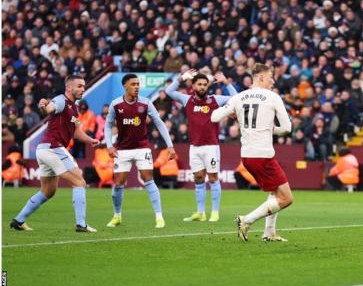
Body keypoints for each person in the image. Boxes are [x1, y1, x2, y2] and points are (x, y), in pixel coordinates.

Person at [211, 63, 293, 242]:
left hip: (247, 156)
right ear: (261, 77)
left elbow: (214, 117)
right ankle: (246, 220)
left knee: (274, 191)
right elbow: (287, 128)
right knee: (286, 198)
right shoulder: (273, 97)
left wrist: (232, 113)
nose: (272, 80)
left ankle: (269, 232)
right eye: (270, 76)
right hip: (263, 155)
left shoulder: (239, 97)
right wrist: (271, 129)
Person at [10, 75, 99, 232]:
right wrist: (45, 106)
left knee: (48, 191)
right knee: (80, 182)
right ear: (69, 87)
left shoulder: (75, 108)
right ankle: (81, 224)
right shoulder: (61, 100)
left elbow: (77, 132)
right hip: (53, 148)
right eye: (79, 86)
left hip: (43, 150)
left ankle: (18, 220)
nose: (83, 89)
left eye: (84, 86)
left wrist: (91, 140)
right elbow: (50, 108)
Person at [104, 73, 176, 229]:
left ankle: (159, 217)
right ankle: (117, 216)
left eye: (138, 84)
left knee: (148, 179)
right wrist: (109, 145)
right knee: (118, 184)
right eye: (133, 84)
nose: (137, 87)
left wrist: (170, 145)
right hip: (122, 149)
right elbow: (108, 125)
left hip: (142, 147)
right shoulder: (116, 105)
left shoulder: (146, 103)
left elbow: (159, 123)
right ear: (125, 87)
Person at [165, 69, 238, 222]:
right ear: (193, 86)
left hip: (211, 146)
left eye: (205, 84)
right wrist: (181, 78)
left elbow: (236, 98)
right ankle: (200, 213)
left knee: (212, 178)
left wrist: (226, 82)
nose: (203, 87)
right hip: (195, 147)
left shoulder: (215, 100)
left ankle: (215, 213)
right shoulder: (187, 100)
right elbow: (169, 91)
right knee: (198, 178)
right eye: (199, 84)